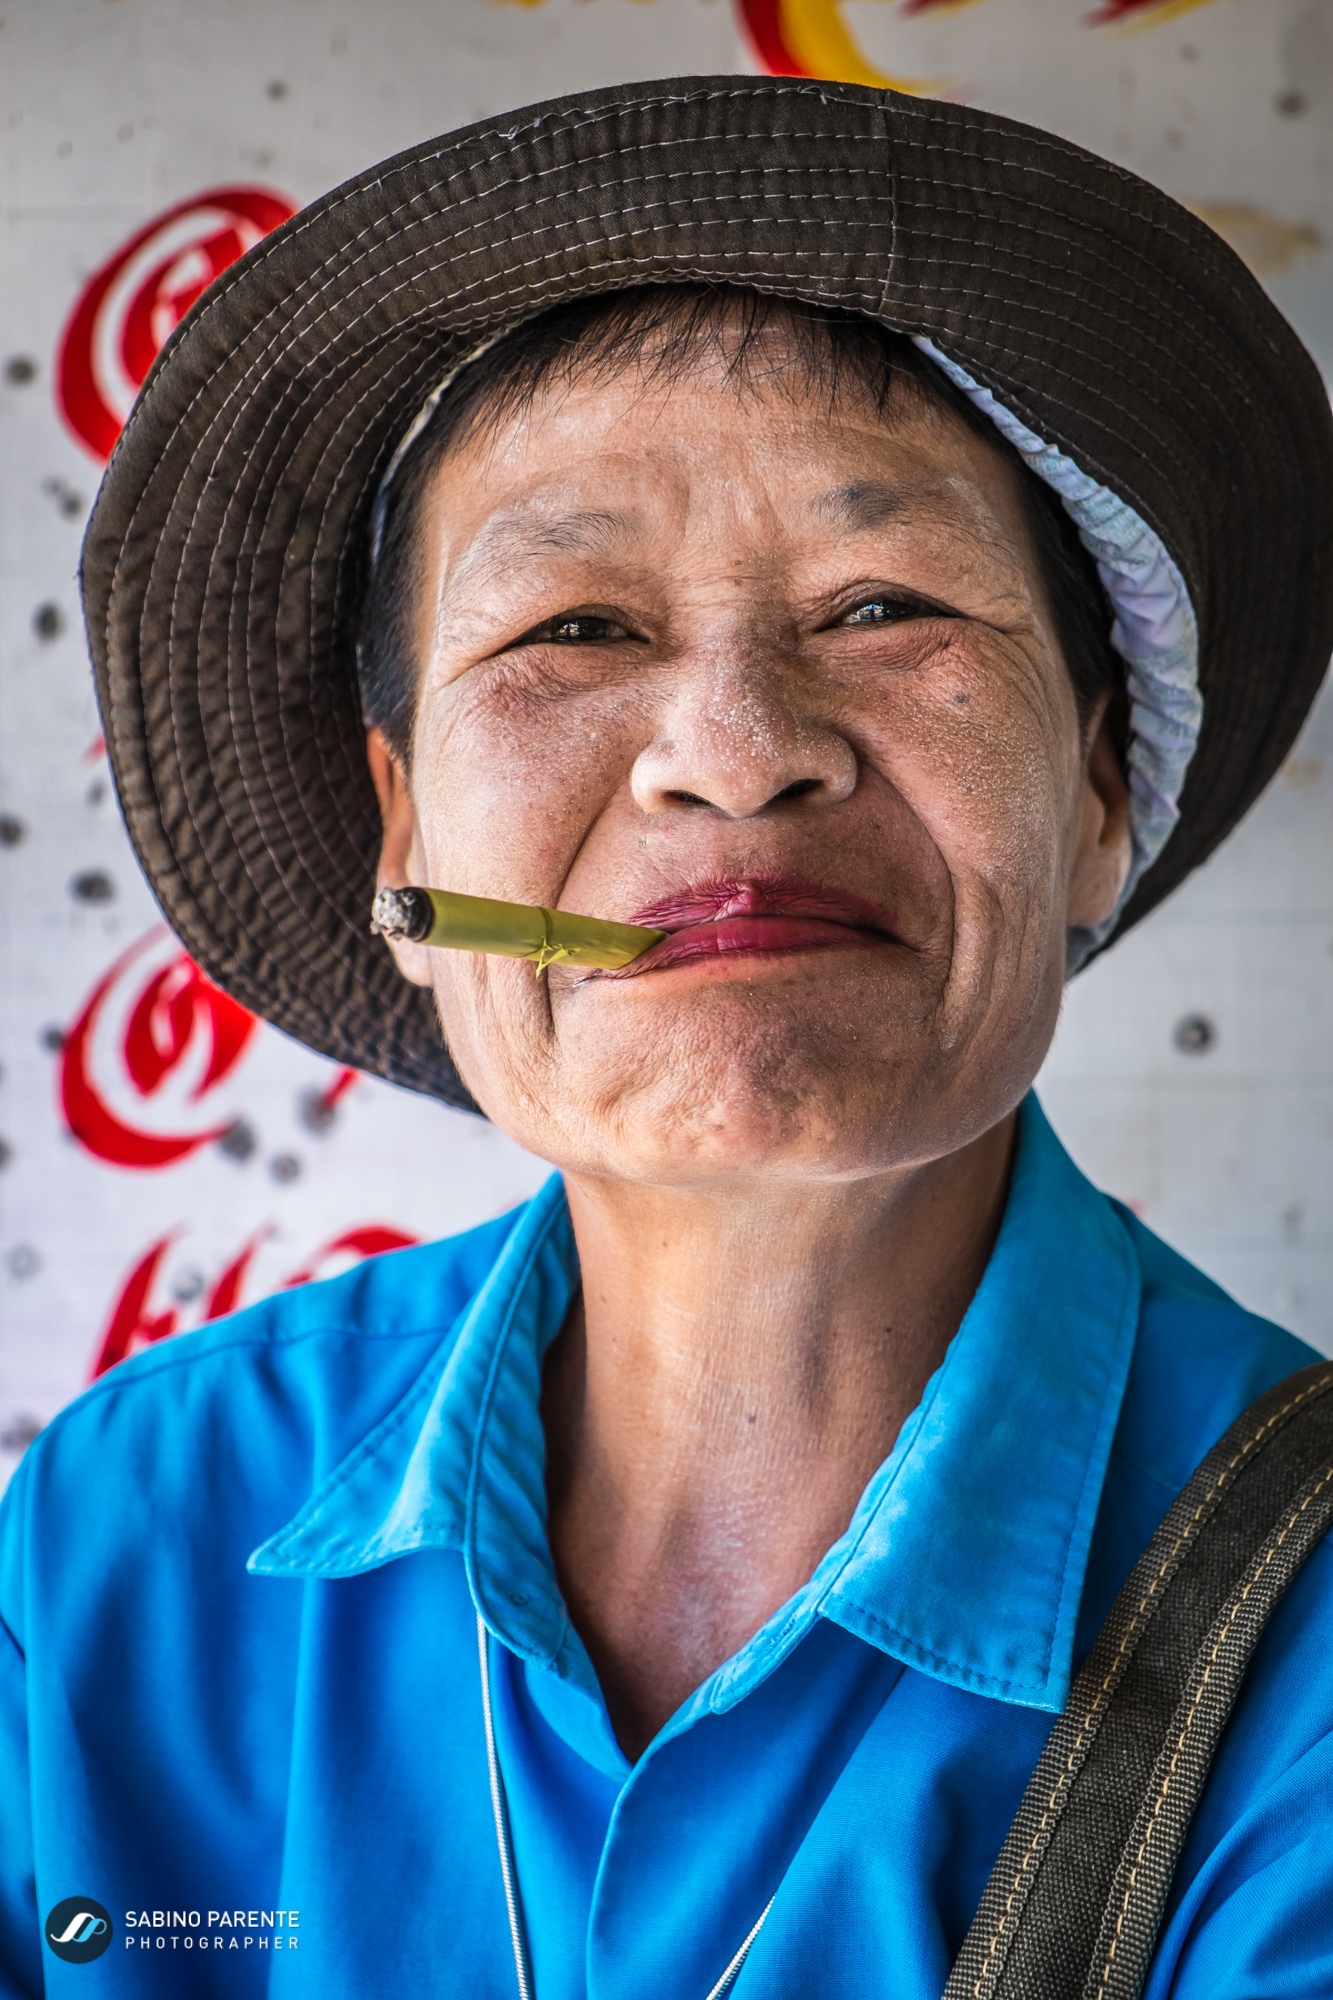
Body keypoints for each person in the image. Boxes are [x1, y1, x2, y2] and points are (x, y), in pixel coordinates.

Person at [4, 77, 1332, 2000]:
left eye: (882, 603)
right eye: (573, 628)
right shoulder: (126, 1535)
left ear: (1103, 793)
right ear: (404, 824)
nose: (731, 749)